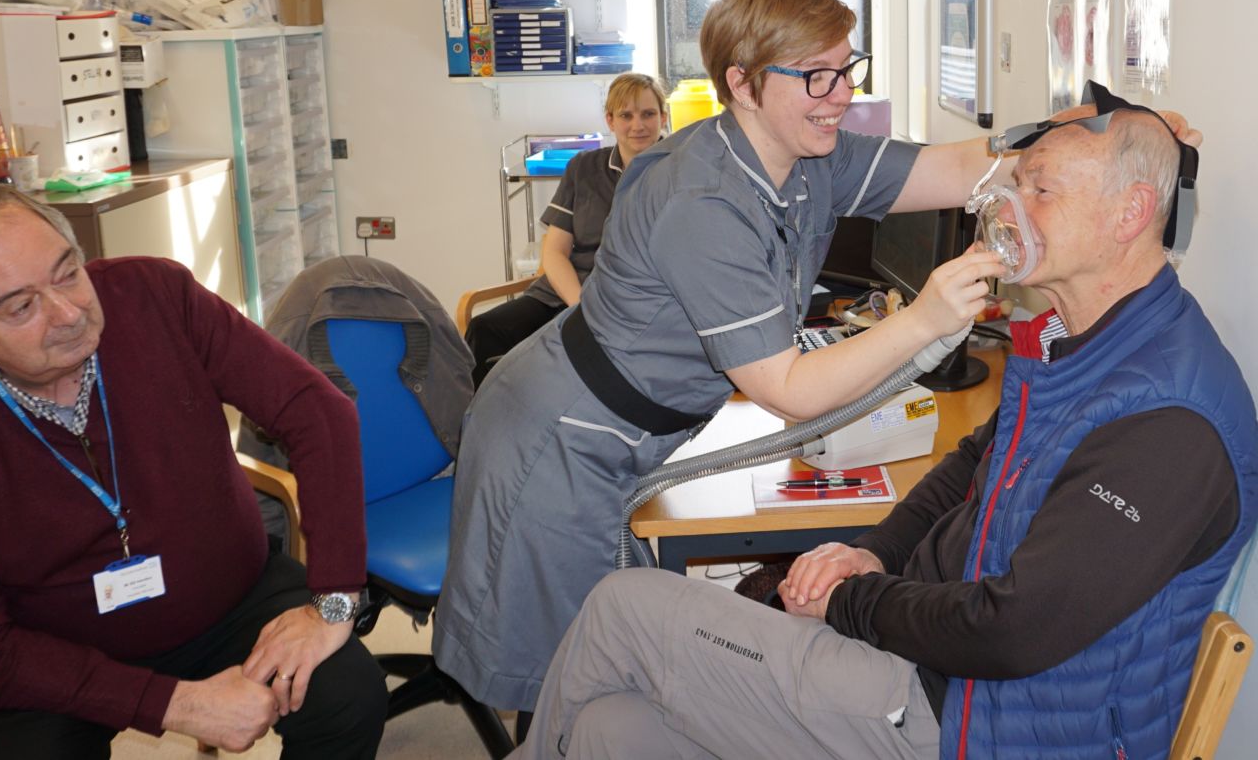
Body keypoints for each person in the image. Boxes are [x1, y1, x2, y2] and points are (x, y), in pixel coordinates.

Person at [433, 0, 1204, 716]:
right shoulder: (701, 199)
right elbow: (788, 390)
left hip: (632, 428)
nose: (842, 97)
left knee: (608, 645)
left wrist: (1108, 127)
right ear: (741, 83)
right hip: (556, 436)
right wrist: (926, 319)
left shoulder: (808, 155)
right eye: (817, 77)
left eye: (847, 70)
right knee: (566, 670)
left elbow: (953, 166)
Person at [513, 105, 1255, 759]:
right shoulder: (1075, 342)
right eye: (1017, 183)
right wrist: (871, 553)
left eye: (1042, 189)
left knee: (621, 607)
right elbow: (974, 462)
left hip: (981, 721)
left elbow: (1012, 633)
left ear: (1129, 215)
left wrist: (849, 605)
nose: (1009, 208)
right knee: (611, 729)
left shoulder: (1168, 422)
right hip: (939, 664)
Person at [0, 183, 388, 759]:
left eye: (67, 273)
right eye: (21, 306)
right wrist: (176, 704)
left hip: (229, 597)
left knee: (348, 696)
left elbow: (317, 410)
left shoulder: (155, 296)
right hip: (50, 648)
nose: (69, 313)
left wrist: (335, 602)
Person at [466, 72, 669, 386]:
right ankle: (485, 428)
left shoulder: (679, 171)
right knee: (485, 330)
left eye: (648, 114)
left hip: (630, 301)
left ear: (663, 117)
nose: (638, 125)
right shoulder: (584, 167)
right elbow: (555, 251)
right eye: (626, 115)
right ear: (610, 121)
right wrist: (579, 305)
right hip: (567, 294)